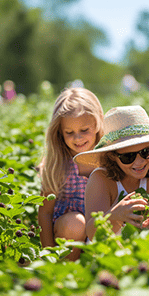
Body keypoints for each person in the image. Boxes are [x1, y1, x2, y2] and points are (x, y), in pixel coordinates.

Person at [73, 105, 149, 241]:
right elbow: (92, 233)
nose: (139, 162)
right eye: (128, 157)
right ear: (112, 156)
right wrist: (116, 216)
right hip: (107, 254)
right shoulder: (101, 180)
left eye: (146, 152)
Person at [38, 87, 105, 261]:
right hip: (69, 233)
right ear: (59, 132)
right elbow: (45, 212)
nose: (78, 138)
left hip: (101, 227)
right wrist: (49, 254)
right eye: (69, 132)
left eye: (84, 130)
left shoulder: (108, 158)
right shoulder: (58, 164)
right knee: (76, 223)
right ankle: (68, 271)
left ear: (98, 123)